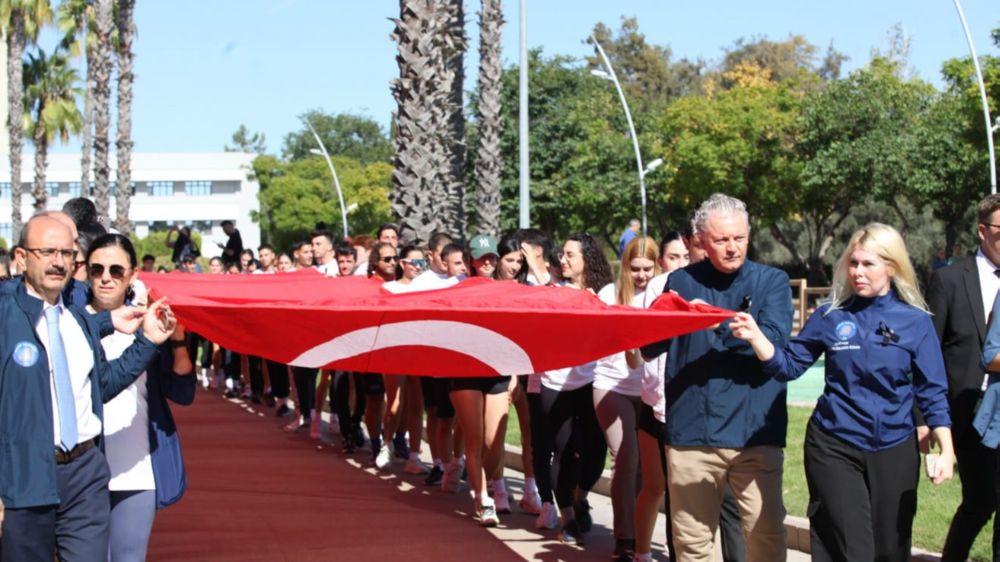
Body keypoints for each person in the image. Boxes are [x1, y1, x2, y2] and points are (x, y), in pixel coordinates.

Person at [731, 222, 954, 562]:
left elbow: (933, 391)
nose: (858, 272)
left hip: (894, 446)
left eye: (868, 264)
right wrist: (756, 337)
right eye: (853, 263)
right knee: (853, 550)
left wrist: (947, 450)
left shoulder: (915, 321)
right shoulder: (831, 316)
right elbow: (788, 365)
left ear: (891, 267)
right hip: (834, 443)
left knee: (891, 551)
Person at [0, 214, 175, 561]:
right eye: (47, 251)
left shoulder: (77, 320)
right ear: (21, 258)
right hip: (23, 475)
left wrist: (149, 343)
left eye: (67, 253)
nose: (58, 262)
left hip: (85, 473)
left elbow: (102, 385)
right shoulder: (5, 316)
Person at [641, 193, 792, 562]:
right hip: (692, 435)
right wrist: (655, 317)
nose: (732, 248)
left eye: (739, 238)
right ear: (701, 241)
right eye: (722, 240)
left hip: (756, 433)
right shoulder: (678, 282)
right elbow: (649, 346)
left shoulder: (772, 282)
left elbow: (772, 343)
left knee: (767, 537)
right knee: (692, 545)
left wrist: (710, 318)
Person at [85, 233, 196, 562]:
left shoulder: (149, 322)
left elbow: (183, 392)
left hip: (138, 471)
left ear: (133, 274)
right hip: (82, 472)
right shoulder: (71, 323)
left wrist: (175, 341)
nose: (106, 278)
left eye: (116, 270)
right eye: (97, 269)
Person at [927, 193, 1000, 562]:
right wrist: (925, 417)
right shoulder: (950, 280)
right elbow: (929, 354)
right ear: (982, 231)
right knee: (982, 498)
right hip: (967, 408)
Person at [540, 233, 612, 545]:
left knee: (597, 449)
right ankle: (567, 517)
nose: (563, 260)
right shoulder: (551, 293)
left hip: (594, 380)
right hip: (555, 382)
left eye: (571, 255)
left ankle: (579, 495)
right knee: (565, 449)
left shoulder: (606, 293)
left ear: (588, 259)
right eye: (562, 255)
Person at [593, 235, 660, 561]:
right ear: (624, 267)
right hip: (611, 386)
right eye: (635, 268)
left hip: (647, 391)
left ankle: (639, 536)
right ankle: (625, 538)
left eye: (648, 268)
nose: (642, 275)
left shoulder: (661, 294)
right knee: (626, 457)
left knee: (647, 471)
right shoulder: (610, 294)